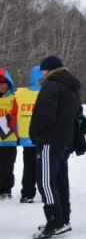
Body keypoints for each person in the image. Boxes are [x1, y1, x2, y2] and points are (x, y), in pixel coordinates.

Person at [29, 56, 83, 239]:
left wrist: (34, 133)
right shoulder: (72, 87)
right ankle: (64, 218)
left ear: (49, 70)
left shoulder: (51, 86)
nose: (41, 74)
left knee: (45, 181)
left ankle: (55, 221)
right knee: (60, 179)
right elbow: (78, 112)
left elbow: (44, 116)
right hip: (65, 141)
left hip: (49, 140)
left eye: (43, 70)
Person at [15, 66, 42, 203]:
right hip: (43, 136)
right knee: (44, 166)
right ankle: (46, 192)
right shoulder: (48, 92)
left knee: (29, 166)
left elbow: (13, 113)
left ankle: (27, 193)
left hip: (26, 138)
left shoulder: (20, 94)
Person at [0, 68, 18, 199]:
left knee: (8, 166)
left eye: (6, 84)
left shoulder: (14, 98)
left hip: (9, 139)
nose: (3, 87)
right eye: (1, 84)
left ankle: (6, 190)